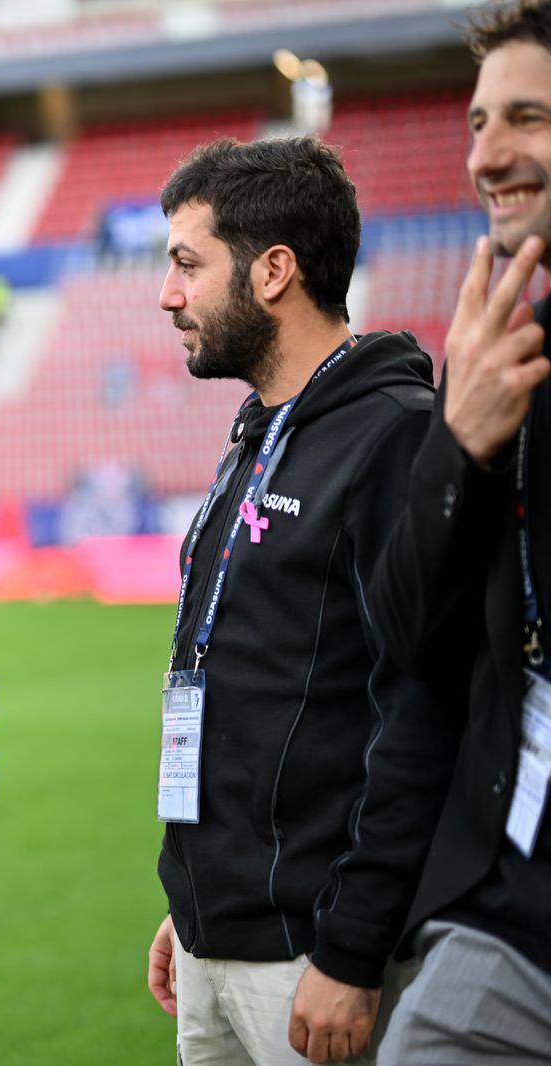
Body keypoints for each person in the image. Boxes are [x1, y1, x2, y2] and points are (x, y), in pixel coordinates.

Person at [144, 136, 458, 1066]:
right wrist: (195, 900)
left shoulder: (396, 438)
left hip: (313, 958)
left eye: (187, 265)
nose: (169, 294)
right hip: (217, 937)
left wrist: (352, 949)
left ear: (274, 270)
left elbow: (422, 712)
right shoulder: (258, 435)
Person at [371, 3, 551, 1060]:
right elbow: (409, 635)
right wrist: (459, 443)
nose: (486, 155)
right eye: (478, 123)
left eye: (525, 117)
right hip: (510, 905)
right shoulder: (499, 355)